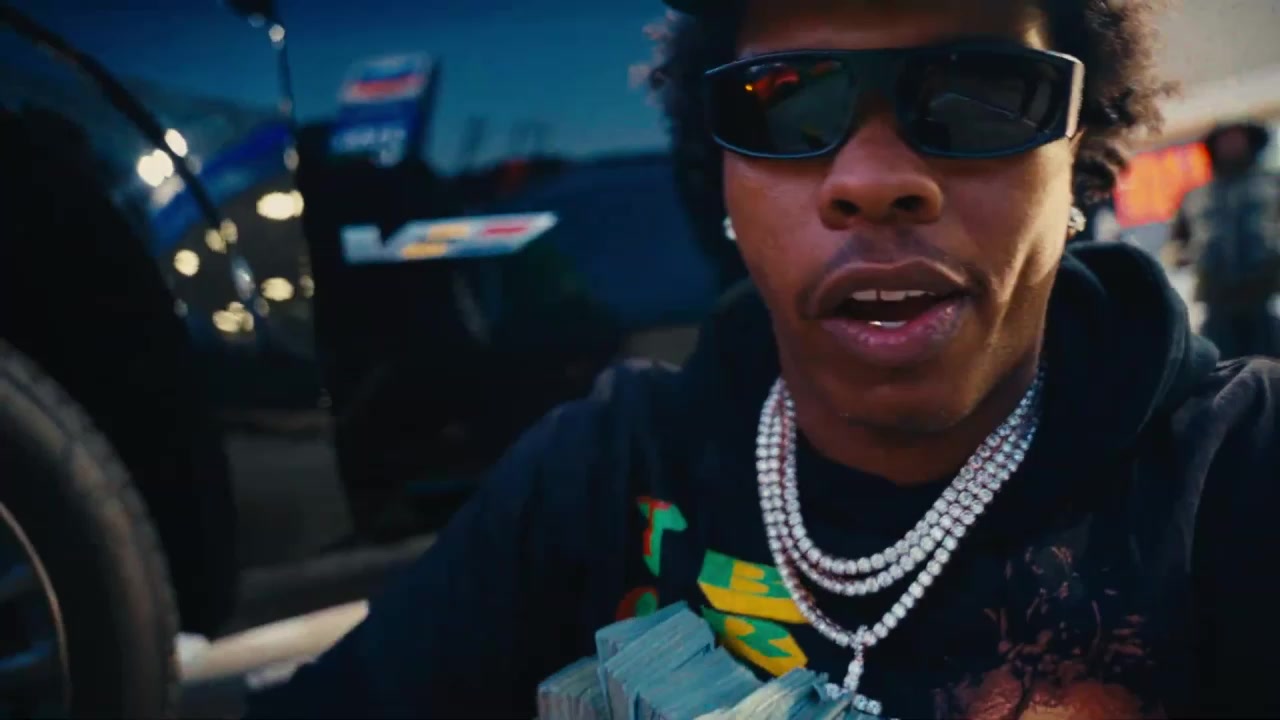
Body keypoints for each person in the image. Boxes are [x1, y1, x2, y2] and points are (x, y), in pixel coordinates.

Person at [244, 1, 1280, 718]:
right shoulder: (601, 474)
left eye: (978, 92)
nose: (873, 178)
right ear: (722, 179)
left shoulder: (1237, 476)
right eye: (784, 104)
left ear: (1079, 158)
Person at [1166, 120, 1280, 359]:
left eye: (1238, 138)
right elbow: (1176, 244)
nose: (1232, 145)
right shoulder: (1195, 197)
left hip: (1266, 294)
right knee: (1223, 364)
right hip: (1216, 299)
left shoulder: (1273, 186)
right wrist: (1189, 256)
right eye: (1226, 140)